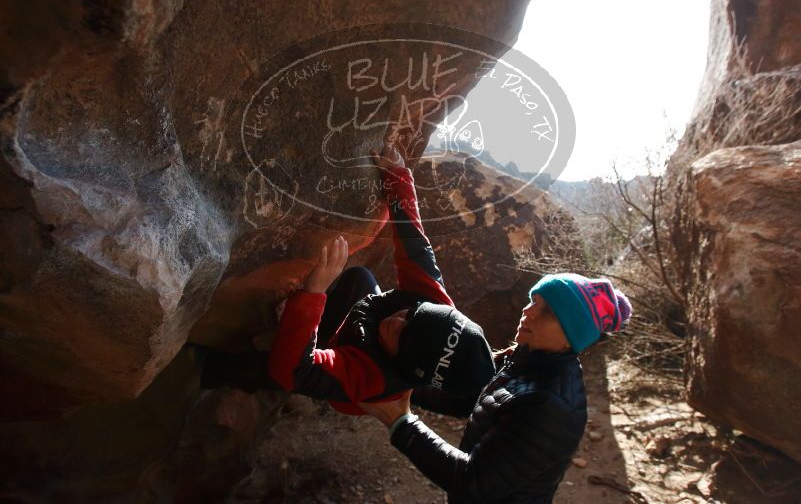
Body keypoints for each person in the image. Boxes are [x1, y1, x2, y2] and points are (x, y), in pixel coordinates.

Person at [196, 143, 495, 416]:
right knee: (359, 278)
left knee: (269, 369)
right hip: (360, 325)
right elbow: (415, 246)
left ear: (404, 364)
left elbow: (291, 372)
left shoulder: (371, 380)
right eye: (414, 314)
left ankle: (206, 368)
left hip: (348, 363)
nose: (399, 318)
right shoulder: (434, 308)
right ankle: (299, 325)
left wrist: (313, 293)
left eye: (404, 335)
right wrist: (398, 177)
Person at [359, 272, 633, 504]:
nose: (529, 311)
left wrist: (402, 422)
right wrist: (401, 384)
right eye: (534, 300)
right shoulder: (526, 359)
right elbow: (470, 399)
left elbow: (473, 481)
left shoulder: (551, 406)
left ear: (571, 336)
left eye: (547, 311)